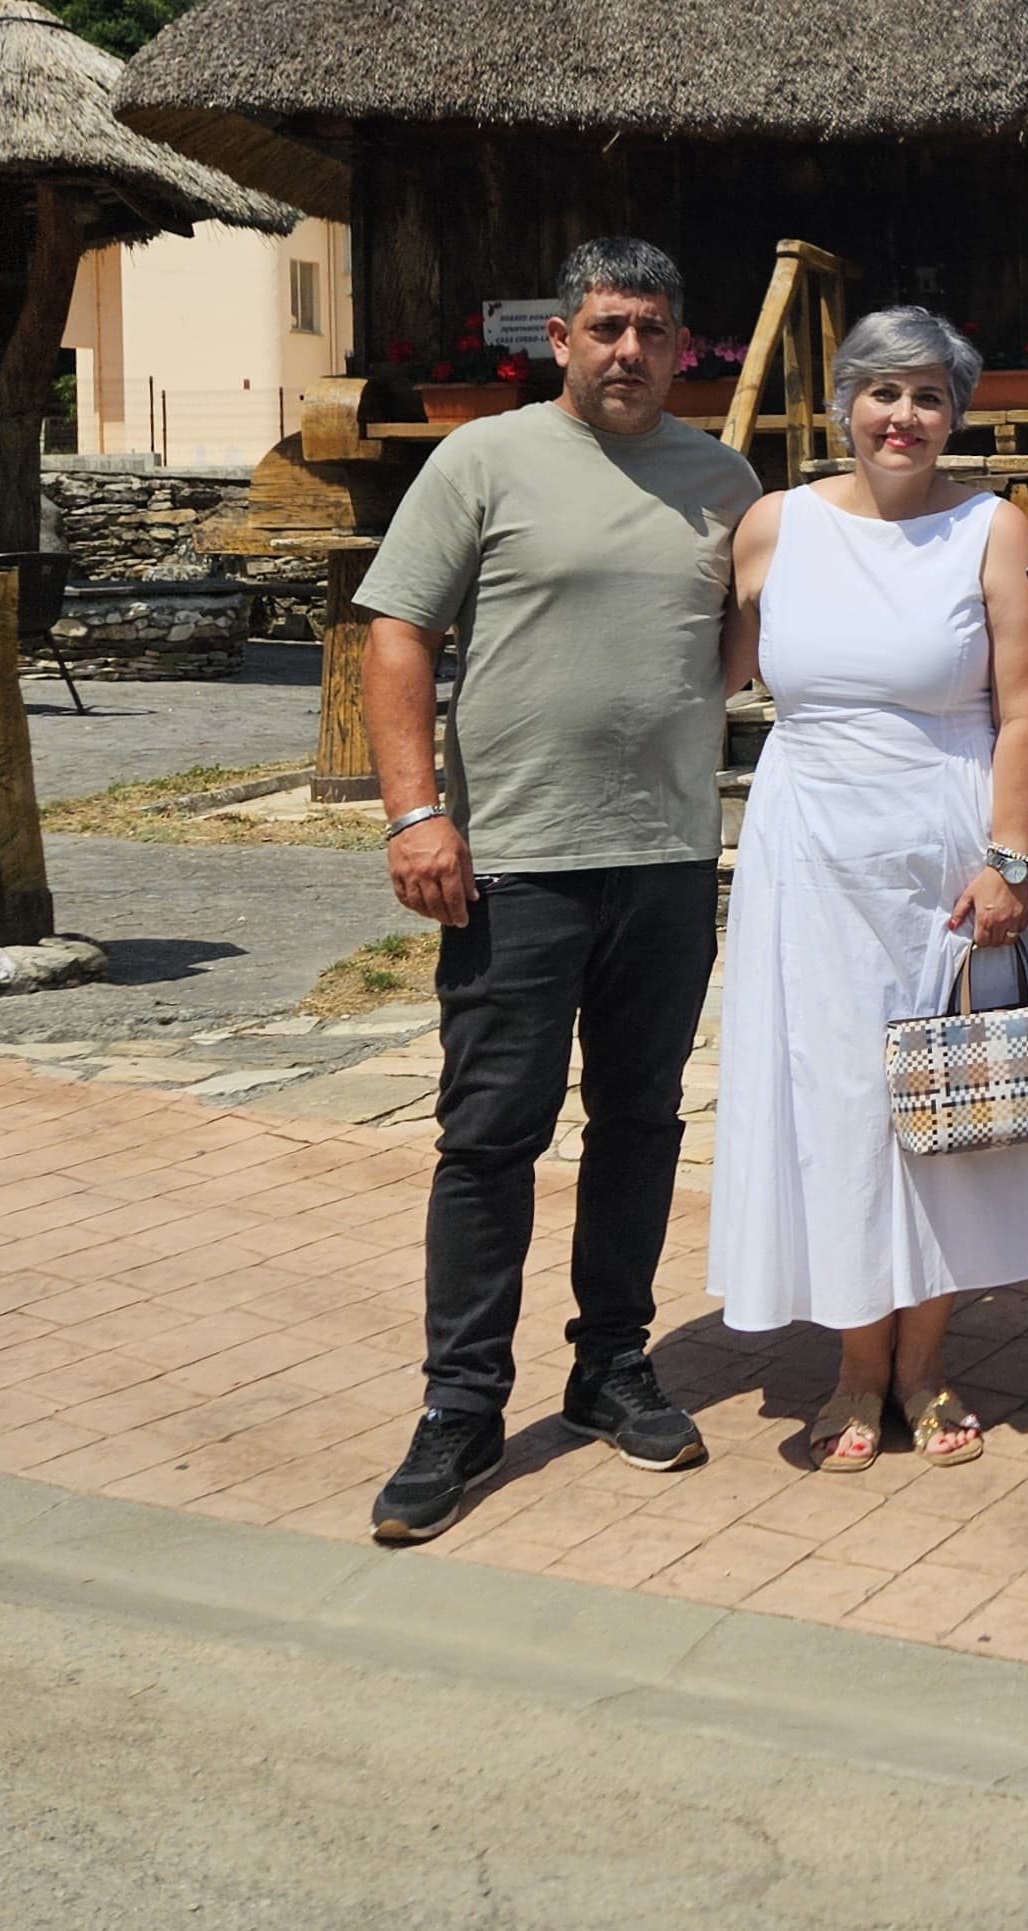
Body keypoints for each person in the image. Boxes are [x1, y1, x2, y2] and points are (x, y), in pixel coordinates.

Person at [359, 238, 760, 1545]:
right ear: (561, 337)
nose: (628, 348)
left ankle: (611, 1365)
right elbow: (398, 629)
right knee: (489, 1138)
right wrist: (417, 811)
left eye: (652, 326)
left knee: (640, 1121)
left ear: (683, 342)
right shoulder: (482, 459)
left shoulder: (724, 480)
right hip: (514, 861)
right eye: (605, 325)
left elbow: (751, 649)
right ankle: (461, 1406)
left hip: (662, 855)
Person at [704, 308, 1028, 1469]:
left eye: (929, 397)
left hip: (945, 843)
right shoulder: (774, 525)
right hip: (808, 843)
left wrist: (1009, 858)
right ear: (844, 406)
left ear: (956, 415)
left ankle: (923, 1364)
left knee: (936, 1105)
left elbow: (1025, 708)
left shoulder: (992, 528)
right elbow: (711, 670)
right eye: (882, 393)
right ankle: (853, 1369)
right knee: (832, 1102)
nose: (903, 417)